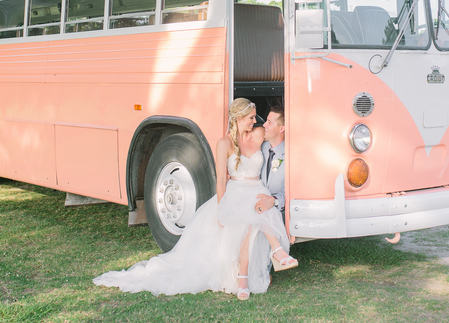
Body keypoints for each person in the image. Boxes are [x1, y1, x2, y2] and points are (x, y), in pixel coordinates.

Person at [93, 98, 298, 299]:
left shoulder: (259, 133)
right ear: (239, 118)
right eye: (252, 118)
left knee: (260, 205)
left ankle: (263, 262)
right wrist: (221, 208)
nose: (256, 121)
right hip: (236, 190)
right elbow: (220, 182)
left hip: (256, 188)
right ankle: (265, 260)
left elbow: (276, 142)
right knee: (248, 217)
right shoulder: (224, 143)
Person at [255, 106, 286, 220]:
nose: (264, 125)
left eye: (269, 122)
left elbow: (294, 191)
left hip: (278, 214)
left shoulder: (290, 154)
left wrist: (274, 200)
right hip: (256, 206)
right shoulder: (260, 147)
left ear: (281, 128)